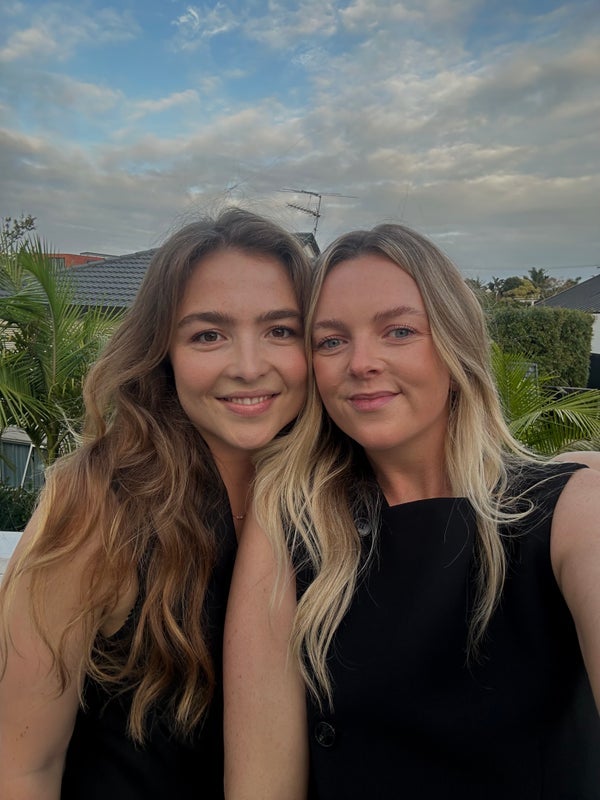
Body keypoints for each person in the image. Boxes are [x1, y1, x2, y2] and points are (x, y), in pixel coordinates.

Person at [224, 222, 600, 799]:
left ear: (455, 345)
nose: (361, 362)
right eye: (331, 341)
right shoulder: (290, 525)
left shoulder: (568, 511)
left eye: (399, 331)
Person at [0, 207, 311, 799]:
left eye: (280, 330)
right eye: (208, 335)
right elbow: (20, 767)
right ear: (163, 351)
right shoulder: (95, 506)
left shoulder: (331, 500)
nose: (249, 367)